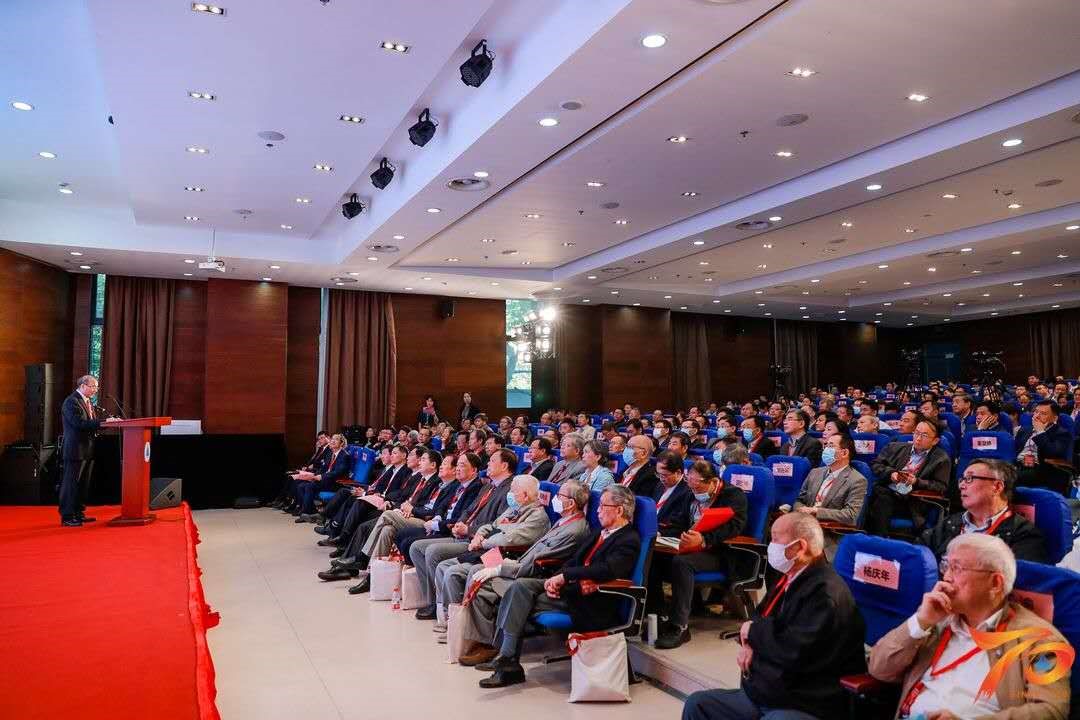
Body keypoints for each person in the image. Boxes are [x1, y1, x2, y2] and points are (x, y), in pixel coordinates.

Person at [682, 514, 866, 720]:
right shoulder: (790, 576)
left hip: (805, 700)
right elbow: (759, 616)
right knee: (698, 705)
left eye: (776, 539)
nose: (771, 545)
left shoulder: (825, 594)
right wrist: (748, 643)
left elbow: (793, 650)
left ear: (800, 547)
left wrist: (752, 632)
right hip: (768, 692)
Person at [868, 533, 1071, 719]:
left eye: (957, 568)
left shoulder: (1041, 640)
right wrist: (920, 622)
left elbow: (1050, 711)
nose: (946, 577)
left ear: (995, 583)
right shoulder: (937, 618)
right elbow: (878, 669)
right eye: (946, 566)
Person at [478, 485, 642, 689]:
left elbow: (607, 570)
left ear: (619, 510)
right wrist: (555, 579)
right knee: (519, 587)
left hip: (589, 598)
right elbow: (574, 560)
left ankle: (507, 661)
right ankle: (506, 658)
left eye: (603, 506)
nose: (598, 511)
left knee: (519, 599)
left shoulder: (629, 539)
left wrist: (565, 577)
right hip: (569, 588)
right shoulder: (600, 532)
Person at [457, 480, 592, 666]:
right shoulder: (564, 522)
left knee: (483, 585)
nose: (554, 498)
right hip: (521, 565)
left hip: (536, 576)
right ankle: (478, 640)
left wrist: (501, 568)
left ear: (570, 503)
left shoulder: (575, 530)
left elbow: (539, 562)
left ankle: (488, 645)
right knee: (478, 573)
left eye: (560, 495)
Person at [433, 474, 551, 641]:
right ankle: (451, 621)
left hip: (508, 557)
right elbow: (492, 525)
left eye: (513, 491)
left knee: (454, 572)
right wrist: (479, 535)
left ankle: (463, 627)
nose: (510, 494)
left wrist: (484, 542)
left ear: (525, 495)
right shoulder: (514, 509)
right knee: (443, 566)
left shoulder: (537, 517)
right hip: (489, 551)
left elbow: (509, 539)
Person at [410, 449, 515, 622]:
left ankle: (442, 607)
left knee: (433, 551)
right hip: (464, 532)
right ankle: (432, 600)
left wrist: (468, 529)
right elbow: (469, 509)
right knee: (416, 547)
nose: (488, 464)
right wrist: (460, 523)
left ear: (504, 466)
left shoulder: (509, 490)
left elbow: (497, 524)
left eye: (492, 461)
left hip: (478, 541)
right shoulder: (489, 486)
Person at [652, 460, 748, 649]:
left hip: (720, 552)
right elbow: (680, 522)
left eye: (698, 487)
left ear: (712, 481)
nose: (694, 491)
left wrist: (704, 539)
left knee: (682, 563)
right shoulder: (690, 493)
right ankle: (660, 614)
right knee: (654, 557)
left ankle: (680, 626)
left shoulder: (733, 496)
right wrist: (662, 533)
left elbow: (734, 528)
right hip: (690, 547)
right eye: (691, 485)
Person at [918, 458, 1047, 563]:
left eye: (969, 479)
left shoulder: (1023, 534)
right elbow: (918, 554)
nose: (961, 485)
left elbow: (1016, 582)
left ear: (997, 487)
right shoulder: (951, 522)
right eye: (962, 479)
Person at [864, 420, 951, 536]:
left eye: (924, 435)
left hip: (912, 501)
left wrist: (916, 481)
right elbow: (875, 465)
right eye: (917, 433)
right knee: (872, 494)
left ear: (935, 440)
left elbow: (941, 486)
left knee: (881, 498)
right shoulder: (895, 447)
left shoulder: (941, 459)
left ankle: (878, 540)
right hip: (888, 491)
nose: (918, 438)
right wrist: (891, 473)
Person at [59, 374, 118, 526]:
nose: (95, 390)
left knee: (82, 484)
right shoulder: (71, 401)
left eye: (96, 387)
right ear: (83, 386)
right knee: (71, 483)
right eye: (93, 387)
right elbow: (79, 423)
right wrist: (103, 422)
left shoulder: (88, 402)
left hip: (87, 448)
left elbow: (91, 425)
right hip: (75, 449)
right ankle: (67, 516)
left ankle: (78, 513)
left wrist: (107, 423)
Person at [791, 433, 866, 533]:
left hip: (831, 532)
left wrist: (816, 511)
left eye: (830, 446)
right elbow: (799, 500)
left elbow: (850, 515)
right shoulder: (815, 472)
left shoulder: (857, 480)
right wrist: (801, 510)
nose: (826, 449)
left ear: (844, 453)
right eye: (825, 445)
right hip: (804, 525)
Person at [1015, 400, 1073, 495]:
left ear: (1055, 418)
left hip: (1043, 469)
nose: (1037, 416)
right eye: (1036, 412)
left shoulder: (1062, 434)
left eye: (1043, 413)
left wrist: (1040, 432)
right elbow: (1015, 451)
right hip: (1019, 465)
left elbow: (1052, 453)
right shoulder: (1024, 430)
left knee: (1008, 478)